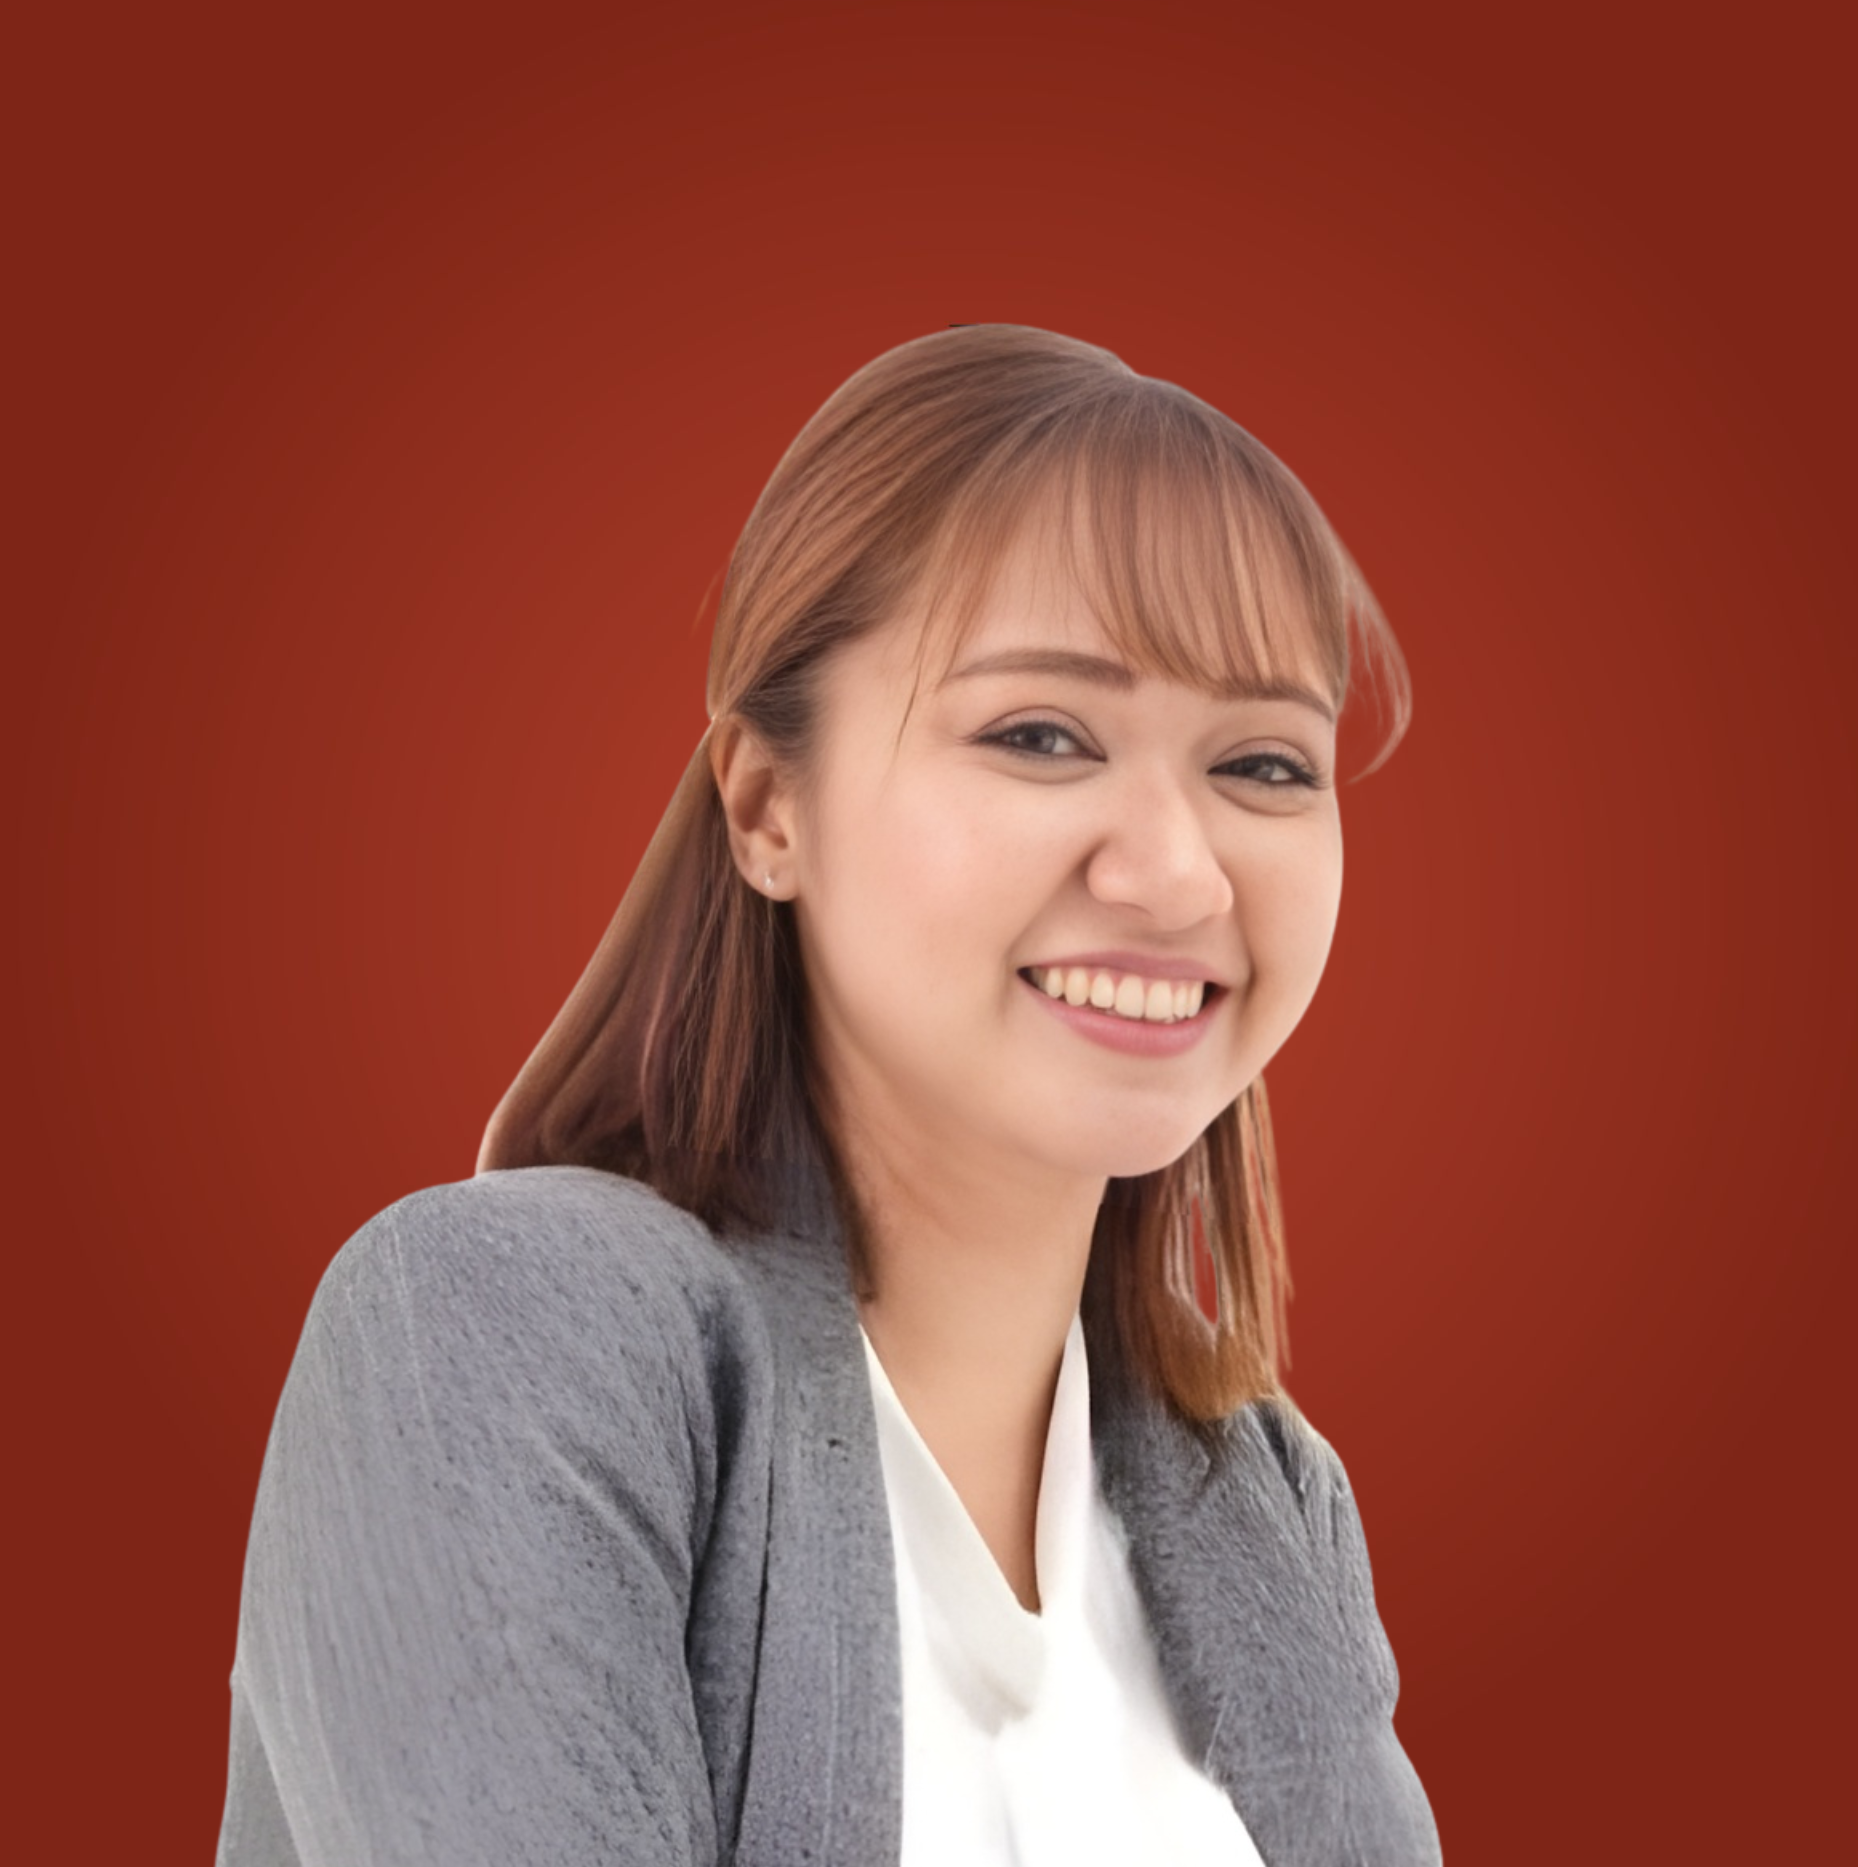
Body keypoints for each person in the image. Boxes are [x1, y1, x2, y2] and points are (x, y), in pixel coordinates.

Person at [214, 322, 1443, 1865]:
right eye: (1042, 735)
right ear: (766, 806)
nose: (1178, 873)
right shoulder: (494, 1334)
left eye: (1264, 764)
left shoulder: (1269, 1499)